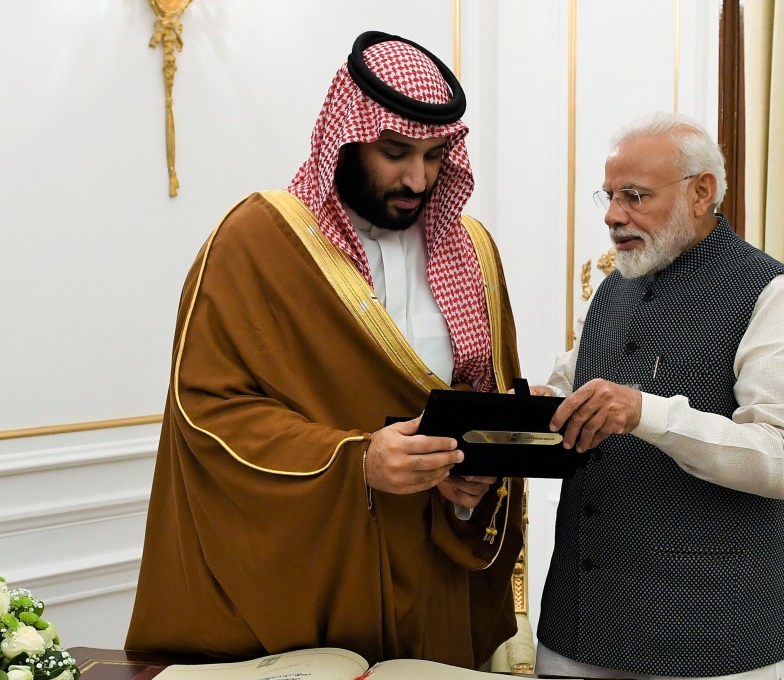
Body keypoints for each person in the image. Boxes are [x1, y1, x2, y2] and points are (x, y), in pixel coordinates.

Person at [124, 31, 525, 670]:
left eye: (434, 155)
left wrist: (480, 472)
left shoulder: (470, 247)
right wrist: (356, 463)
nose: (418, 178)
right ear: (345, 135)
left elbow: (493, 397)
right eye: (395, 152)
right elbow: (208, 410)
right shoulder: (257, 240)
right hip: (315, 576)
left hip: (437, 573)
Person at [533, 112, 784, 680]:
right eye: (610, 195)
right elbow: (574, 383)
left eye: (634, 196)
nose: (613, 215)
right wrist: (539, 405)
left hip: (713, 638)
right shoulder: (615, 287)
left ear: (701, 192)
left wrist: (648, 413)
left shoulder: (769, 292)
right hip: (579, 624)